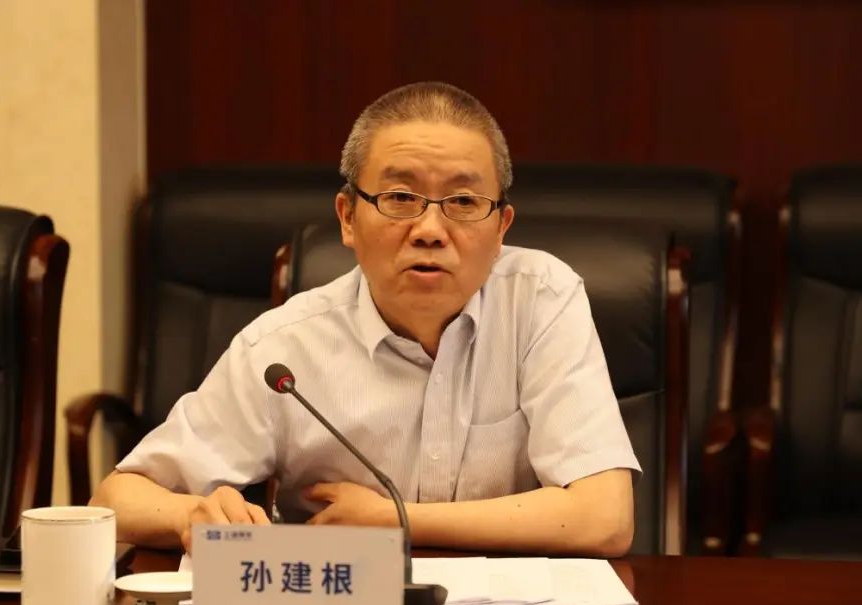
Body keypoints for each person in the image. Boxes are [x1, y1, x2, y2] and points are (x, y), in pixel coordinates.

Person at [92, 82, 640, 557]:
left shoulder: (541, 300)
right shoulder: (285, 350)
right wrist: (191, 515)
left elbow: (605, 519)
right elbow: (117, 499)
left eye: (463, 202)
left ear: (501, 229)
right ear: (348, 218)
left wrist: (394, 520)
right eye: (400, 197)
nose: (430, 230)